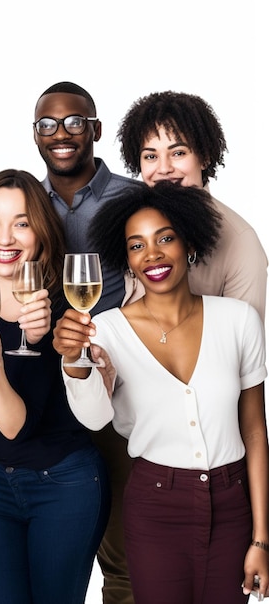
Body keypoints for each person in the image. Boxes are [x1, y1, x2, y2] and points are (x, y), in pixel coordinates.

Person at [54, 182, 269, 603]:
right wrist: (73, 363)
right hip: (155, 508)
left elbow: (256, 432)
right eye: (136, 246)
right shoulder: (107, 330)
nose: (152, 255)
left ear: (189, 243)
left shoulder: (239, 321)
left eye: (165, 238)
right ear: (127, 262)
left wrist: (262, 538)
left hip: (233, 506)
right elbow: (95, 419)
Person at [0, 169, 110, 604]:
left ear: (42, 234)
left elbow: (15, 428)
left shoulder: (66, 306)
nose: (4, 237)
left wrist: (3, 364)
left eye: (21, 223)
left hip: (65, 484)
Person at [33, 81, 141, 603]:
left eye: (74, 122)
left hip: (121, 388)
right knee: (60, 555)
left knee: (122, 554)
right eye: (47, 125)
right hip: (51, 390)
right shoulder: (29, 204)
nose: (61, 134)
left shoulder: (131, 198)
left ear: (95, 129)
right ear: (35, 136)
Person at [116, 89, 267, 321]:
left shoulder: (240, 241)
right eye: (150, 156)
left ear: (204, 156)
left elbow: (244, 343)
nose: (164, 168)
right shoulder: (122, 220)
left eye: (178, 153)